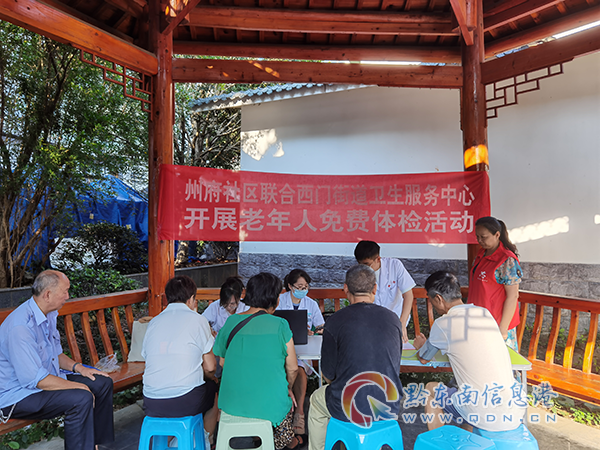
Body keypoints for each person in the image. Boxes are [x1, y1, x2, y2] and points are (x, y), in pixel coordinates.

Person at [0, 270, 114, 450]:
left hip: (46, 379)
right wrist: (77, 386)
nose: (68, 296)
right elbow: (35, 380)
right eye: (65, 291)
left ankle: (96, 444)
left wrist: (80, 368)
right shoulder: (20, 327)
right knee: (81, 398)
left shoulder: (48, 314)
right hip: (18, 395)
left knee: (101, 382)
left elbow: (56, 354)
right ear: (47, 295)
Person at [413, 271, 526, 432]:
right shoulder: (484, 313)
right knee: (465, 394)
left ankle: (438, 440)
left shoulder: (444, 323)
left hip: (481, 412)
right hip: (514, 409)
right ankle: (468, 439)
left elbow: (424, 358)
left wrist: (421, 345)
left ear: (438, 299)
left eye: (431, 301)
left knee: (431, 389)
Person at [307, 264, 403, 450]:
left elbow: (328, 374)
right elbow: (394, 364)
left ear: (345, 289)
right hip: (388, 402)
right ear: (375, 288)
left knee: (316, 401)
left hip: (348, 404)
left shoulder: (335, 321)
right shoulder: (393, 319)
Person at [213, 273, 303, 450]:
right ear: (274, 300)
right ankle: (283, 442)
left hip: (232, 403)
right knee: (285, 405)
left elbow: (222, 362)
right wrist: (288, 388)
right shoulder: (281, 325)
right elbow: (293, 369)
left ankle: (252, 439)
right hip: (270, 404)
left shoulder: (231, 322)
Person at [141, 275, 218, 442]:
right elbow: (211, 367)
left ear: (168, 298)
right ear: (191, 299)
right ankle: (205, 441)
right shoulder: (198, 320)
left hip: (151, 401)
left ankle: (170, 443)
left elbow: (148, 359)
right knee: (212, 391)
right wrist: (209, 378)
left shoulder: (154, 322)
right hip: (185, 400)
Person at [277, 269, 325, 435]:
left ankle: (299, 413)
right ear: (290, 286)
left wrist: (314, 331)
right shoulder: (280, 301)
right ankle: (287, 411)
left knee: (300, 369)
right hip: (282, 347)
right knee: (292, 368)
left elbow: (321, 326)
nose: (303, 290)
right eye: (299, 287)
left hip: (305, 346)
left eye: (305, 287)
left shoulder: (311, 304)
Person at [469, 216, 523, 351]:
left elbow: (512, 296)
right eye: (477, 237)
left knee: (501, 359)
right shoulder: (481, 254)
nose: (480, 240)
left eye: (484, 237)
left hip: (497, 323)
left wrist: (503, 328)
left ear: (497, 235)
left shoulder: (507, 260)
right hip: (479, 319)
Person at [354, 240, 415, 342]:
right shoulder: (358, 273)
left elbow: (408, 294)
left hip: (395, 319)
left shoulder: (395, 265)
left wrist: (402, 323)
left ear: (378, 259)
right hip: (371, 321)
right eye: (360, 264)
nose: (363, 268)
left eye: (367, 264)